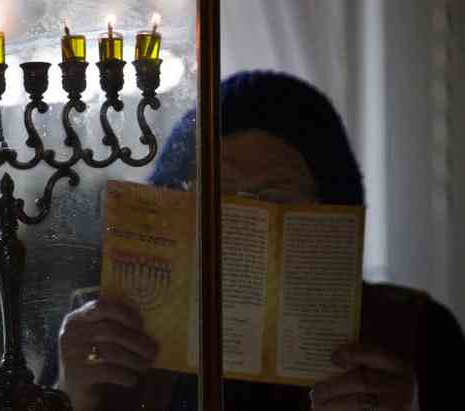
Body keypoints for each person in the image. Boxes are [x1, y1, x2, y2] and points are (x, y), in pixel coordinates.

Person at [40, 71, 465, 410]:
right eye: (215, 193)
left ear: (333, 211)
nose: (240, 216)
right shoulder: (100, 327)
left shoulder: (419, 331)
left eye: (275, 197)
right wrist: (69, 392)